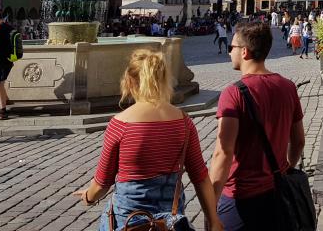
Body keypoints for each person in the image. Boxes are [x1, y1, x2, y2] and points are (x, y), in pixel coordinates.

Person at [73, 49, 221, 231]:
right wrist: (213, 220)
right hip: (169, 223)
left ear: (129, 81)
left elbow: (102, 184)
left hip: (127, 221)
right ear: (164, 80)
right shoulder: (183, 122)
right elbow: (200, 178)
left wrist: (88, 197)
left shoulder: (120, 124)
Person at [210, 21, 305, 231]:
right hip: (275, 193)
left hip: (240, 198)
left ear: (244, 52)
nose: (229, 53)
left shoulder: (233, 93)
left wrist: (210, 207)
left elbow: (223, 154)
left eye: (231, 47)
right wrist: (285, 167)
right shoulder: (288, 87)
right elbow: (298, 141)